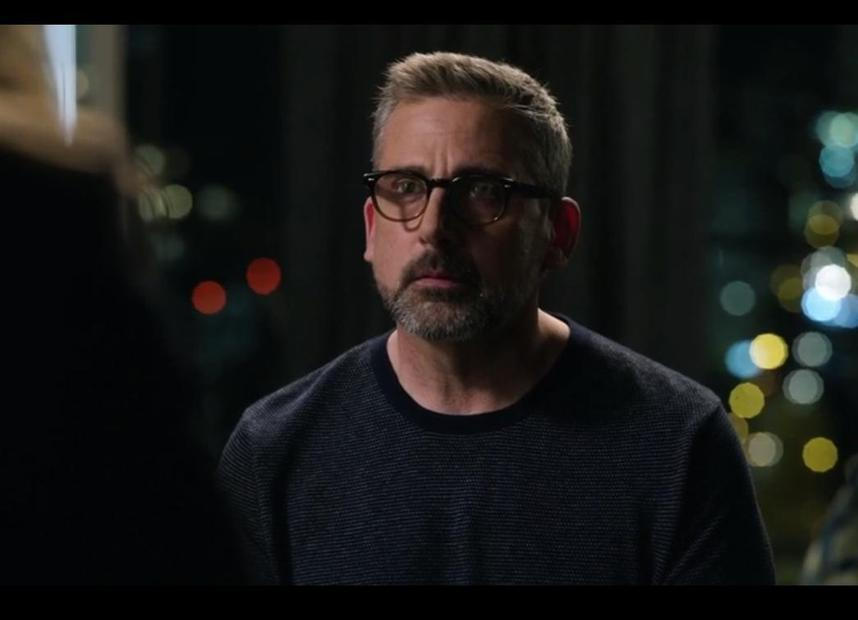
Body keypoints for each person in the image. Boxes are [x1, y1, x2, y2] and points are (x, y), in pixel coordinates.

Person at [217, 51, 775, 585]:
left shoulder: (678, 444)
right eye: (406, 187)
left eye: (482, 192)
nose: (433, 228)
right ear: (371, 227)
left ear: (558, 234)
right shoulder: (274, 451)